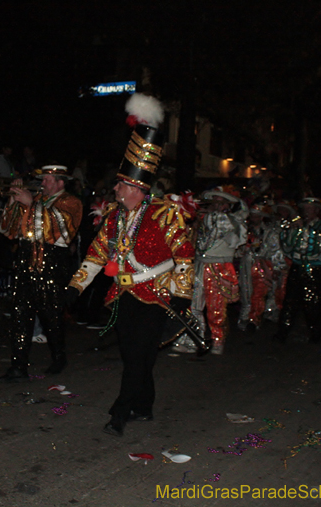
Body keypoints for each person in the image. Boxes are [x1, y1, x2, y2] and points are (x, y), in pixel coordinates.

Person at [66, 93, 195, 437]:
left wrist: (182, 295)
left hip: (156, 295)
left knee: (138, 356)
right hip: (123, 295)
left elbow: (184, 256)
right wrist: (75, 287)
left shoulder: (164, 215)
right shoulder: (112, 218)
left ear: (137, 188)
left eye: (122, 184)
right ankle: (144, 405)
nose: (117, 188)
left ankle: (120, 412)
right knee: (136, 355)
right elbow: (95, 256)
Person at [0, 164, 83, 380]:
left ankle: (59, 356)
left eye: (47, 180)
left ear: (61, 182)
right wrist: (13, 200)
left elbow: (60, 229)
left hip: (52, 264)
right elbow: (8, 230)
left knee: (51, 316)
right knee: (20, 315)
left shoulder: (71, 202)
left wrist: (31, 203)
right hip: (26, 262)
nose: (41, 183)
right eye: (42, 179)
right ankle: (18, 366)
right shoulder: (36, 202)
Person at [189, 186, 248, 355]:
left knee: (216, 307)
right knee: (194, 304)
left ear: (227, 205)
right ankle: (196, 338)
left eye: (221, 202)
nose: (216, 205)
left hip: (219, 266)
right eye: (214, 201)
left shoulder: (233, 221)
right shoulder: (203, 220)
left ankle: (217, 340)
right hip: (201, 264)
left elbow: (236, 241)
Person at [274, 197, 321, 344]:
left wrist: (305, 229)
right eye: (304, 209)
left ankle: (315, 332)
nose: (306, 212)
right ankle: (283, 331)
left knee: (313, 302)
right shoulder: (297, 225)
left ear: (317, 211)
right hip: (297, 266)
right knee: (290, 300)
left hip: (314, 268)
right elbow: (287, 246)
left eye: (310, 209)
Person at [237, 202, 284, 335]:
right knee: (246, 290)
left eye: (257, 216)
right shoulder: (245, 230)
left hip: (262, 265)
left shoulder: (270, 232)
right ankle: (246, 316)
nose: (254, 218)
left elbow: (276, 251)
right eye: (252, 216)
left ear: (262, 217)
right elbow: (238, 249)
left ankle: (254, 319)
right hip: (246, 265)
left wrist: (276, 267)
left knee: (259, 292)